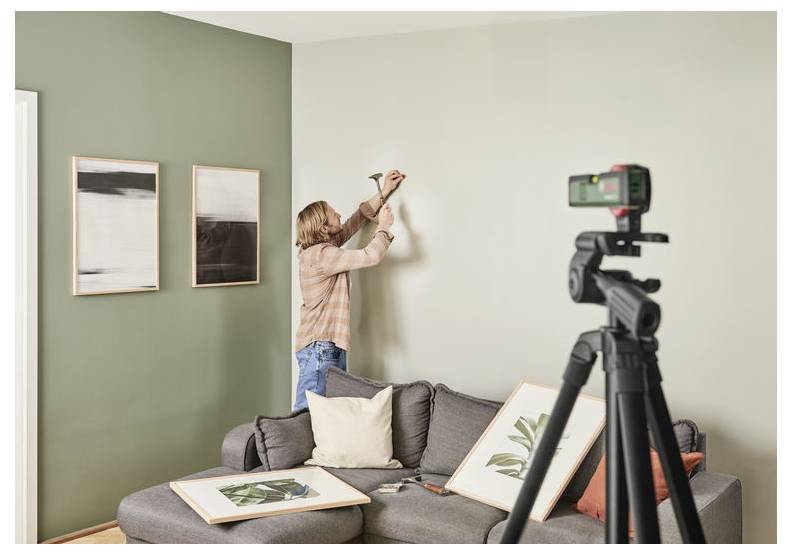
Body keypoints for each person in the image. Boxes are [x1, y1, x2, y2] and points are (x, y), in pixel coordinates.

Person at [292, 170, 406, 411]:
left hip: (324, 345)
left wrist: (384, 191)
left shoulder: (318, 249)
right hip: (321, 347)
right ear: (323, 228)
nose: (339, 215)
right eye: (334, 215)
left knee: (325, 416)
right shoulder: (323, 256)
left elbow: (355, 220)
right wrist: (384, 227)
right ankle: (289, 450)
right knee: (307, 415)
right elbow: (371, 255)